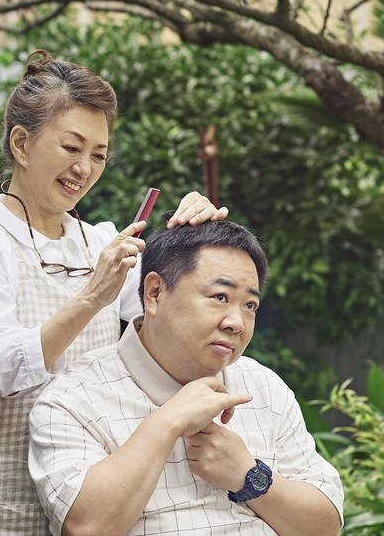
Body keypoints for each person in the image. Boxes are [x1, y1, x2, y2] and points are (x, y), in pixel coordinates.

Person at [0, 51, 228, 535]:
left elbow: (167, 320)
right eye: (72, 147)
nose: (84, 168)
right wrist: (91, 298)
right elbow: (0, 370)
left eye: (98, 154)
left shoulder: (102, 243)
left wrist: (191, 234)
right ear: (21, 143)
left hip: (76, 495)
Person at [29, 218, 344, 536]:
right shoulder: (72, 399)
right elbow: (86, 528)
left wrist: (249, 477)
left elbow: (326, 528)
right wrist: (168, 422)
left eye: (250, 305)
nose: (236, 322)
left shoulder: (263, 388)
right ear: (154, 293)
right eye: (220, 297)